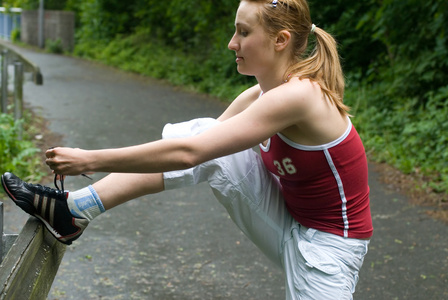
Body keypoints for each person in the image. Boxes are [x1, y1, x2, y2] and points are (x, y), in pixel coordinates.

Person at [1, 0, 373, 298]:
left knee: (204, 143)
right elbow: (196, 148)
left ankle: (75, 210)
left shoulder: (300, 96)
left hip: (328, 251)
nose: (232, 43)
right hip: (289, 222)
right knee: (208, 134)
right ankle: (75, 211)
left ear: (280, 40)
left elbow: (190, 154)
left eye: (243, 32)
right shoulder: (262, 94)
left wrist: (91, 158)